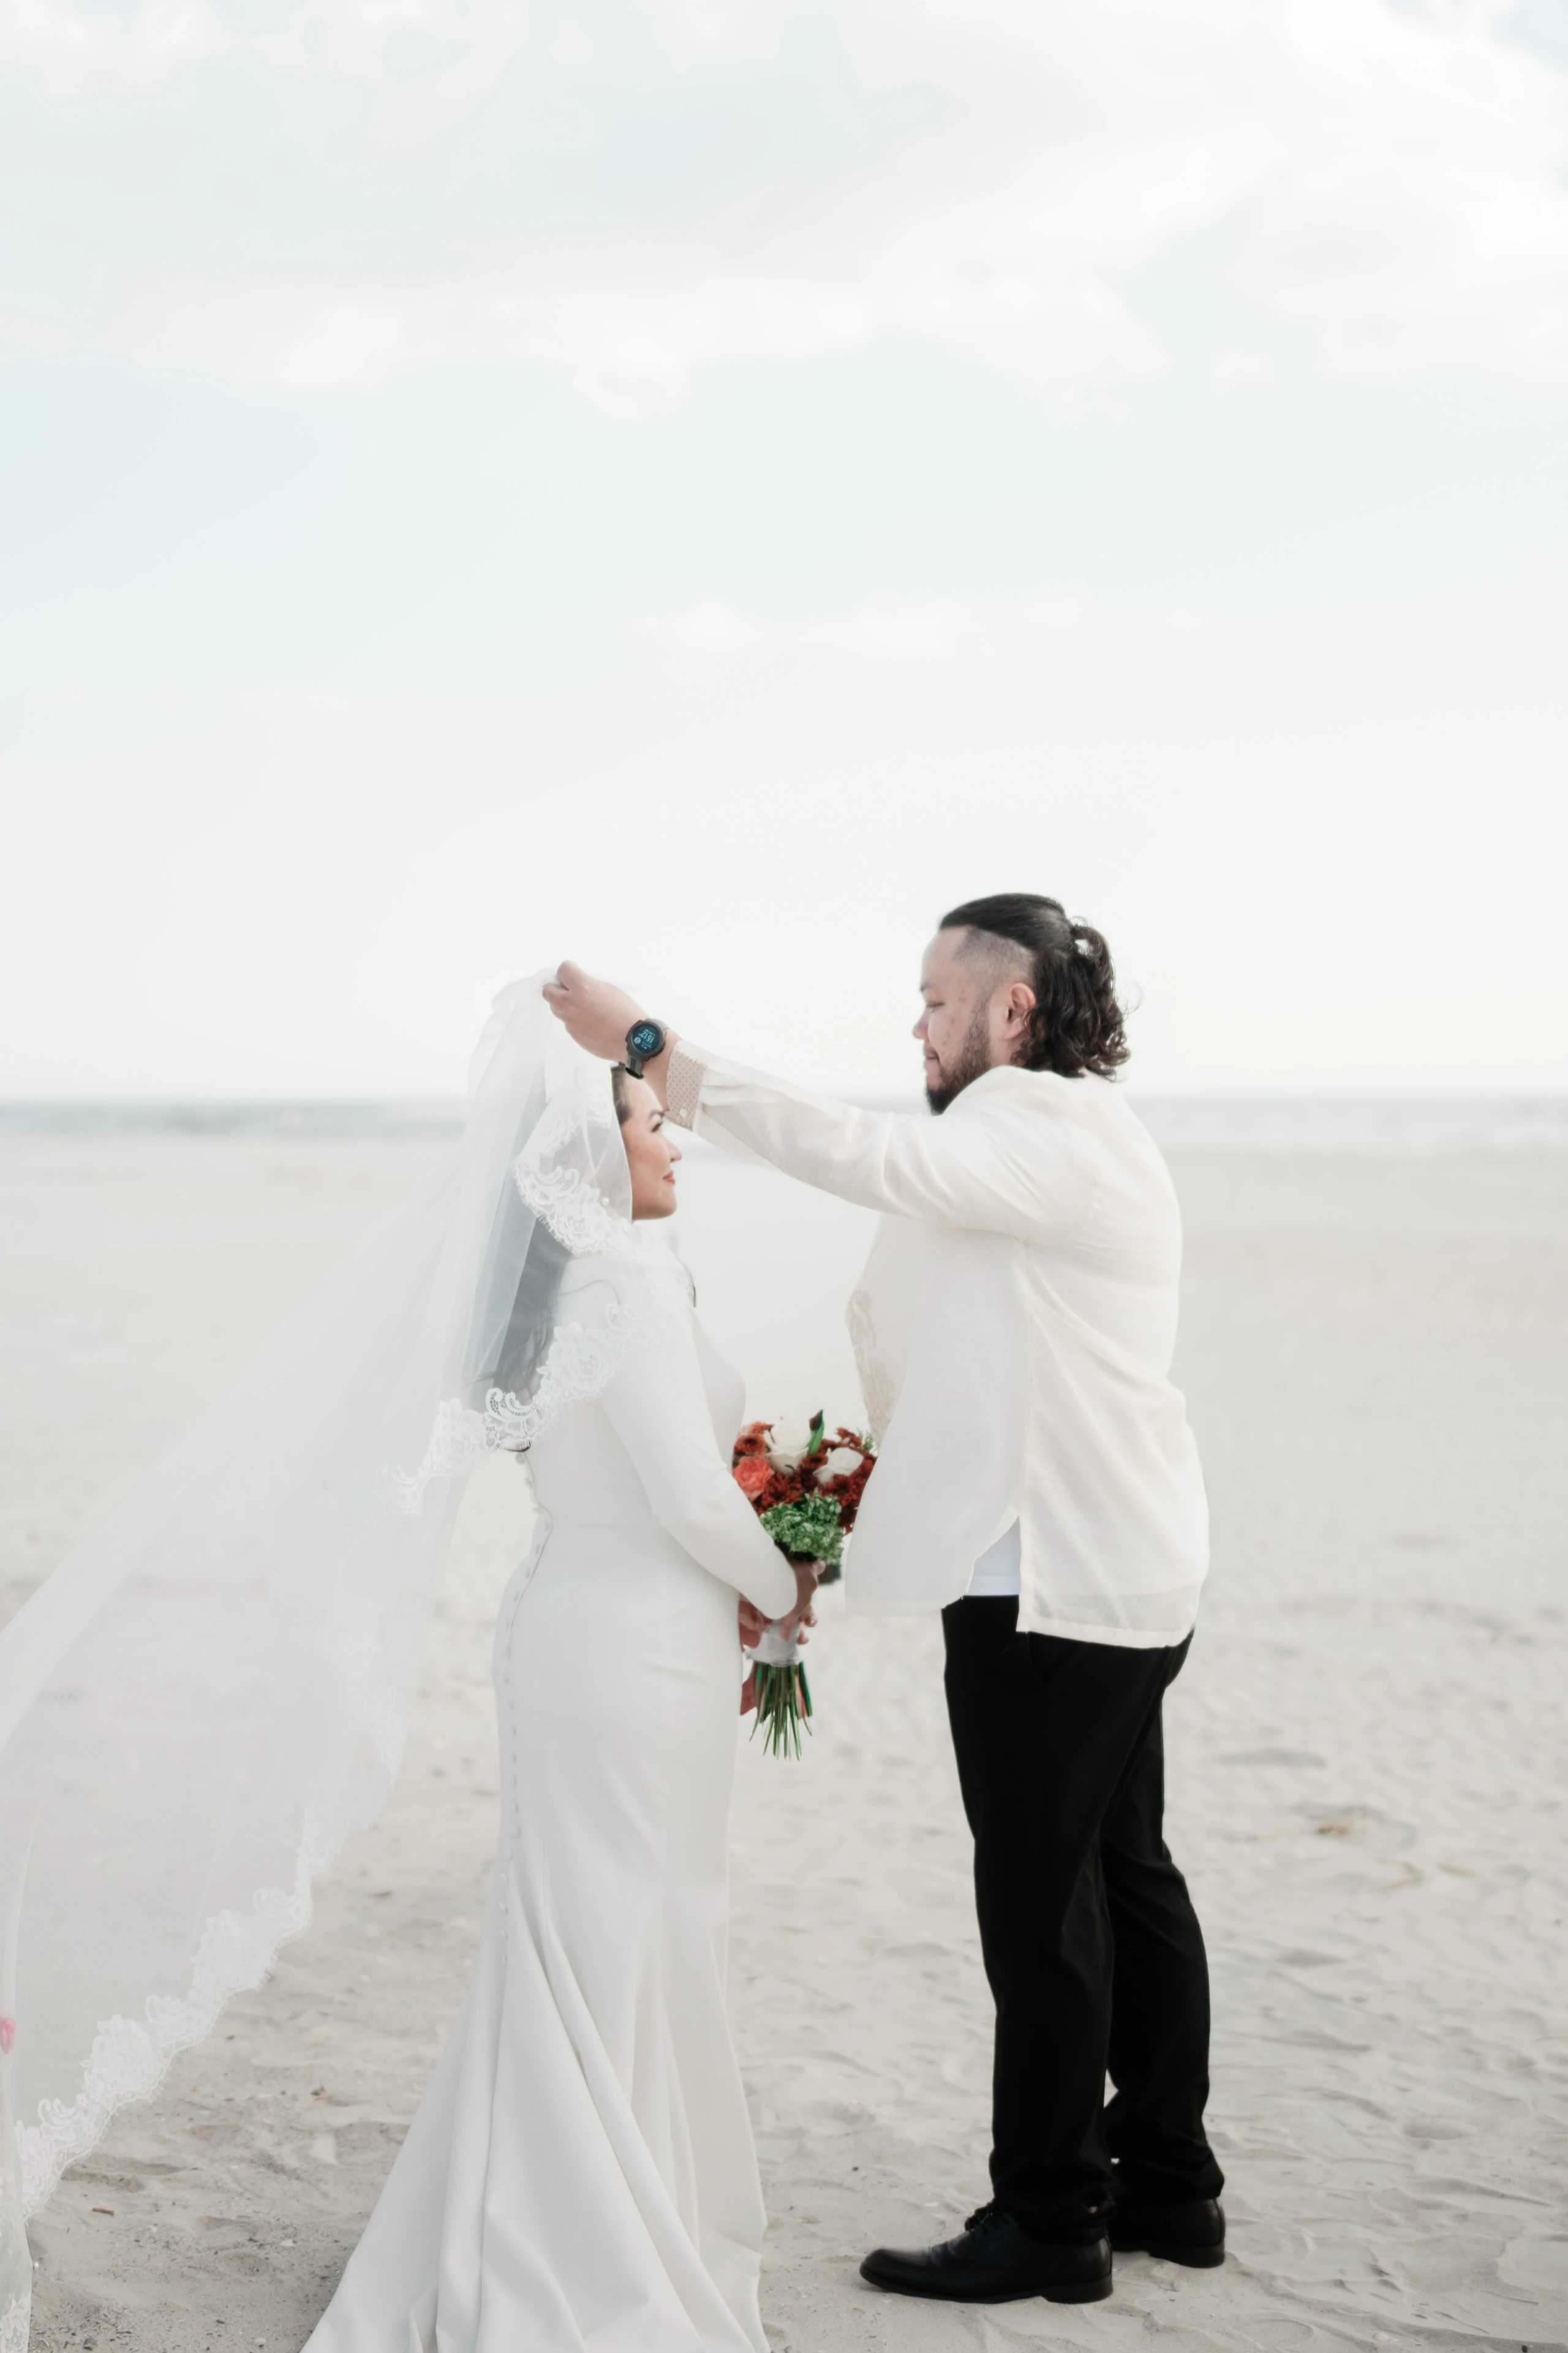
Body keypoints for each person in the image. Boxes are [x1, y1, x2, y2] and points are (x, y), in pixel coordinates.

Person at [545, 893, 1225, 2309]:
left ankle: (1047, 2218)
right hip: (1121, 1561)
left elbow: (851, 1156)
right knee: (1124, 1877)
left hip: (1042, 1578)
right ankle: (1168, 2184)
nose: (913, 1025)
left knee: (1042, 1903)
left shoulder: (1024, 1123)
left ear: (1011, 1011)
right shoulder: (1075, 1137)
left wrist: (655, 1050)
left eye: (931, 1000)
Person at [304, 1057, 815, 2352]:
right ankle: (577, 2230)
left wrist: (756, 1582)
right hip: (626, 1642)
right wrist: (784, 1588)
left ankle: (580, 2193)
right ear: (591, 1156)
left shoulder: (603, 1282)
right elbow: (693, 1498)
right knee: (607, 1927)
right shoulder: (617, 1285)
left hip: (623, 1625)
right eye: (652, 1127)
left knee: (624, 1920)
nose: (674, 1147)